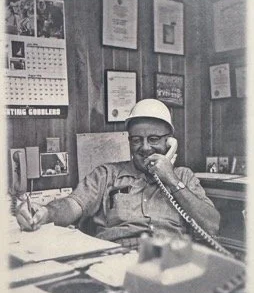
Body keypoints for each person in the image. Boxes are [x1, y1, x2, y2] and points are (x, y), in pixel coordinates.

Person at [16, 99, 220, 248]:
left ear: (169, 142)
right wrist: (46, 212)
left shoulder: (183, 177)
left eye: (154, 139)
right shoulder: (106, 174)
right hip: (115, 257)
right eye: (137, 139)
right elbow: (73, 205)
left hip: (169, 262)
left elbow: (212, 225)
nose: (145, 147)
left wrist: (171, 180)